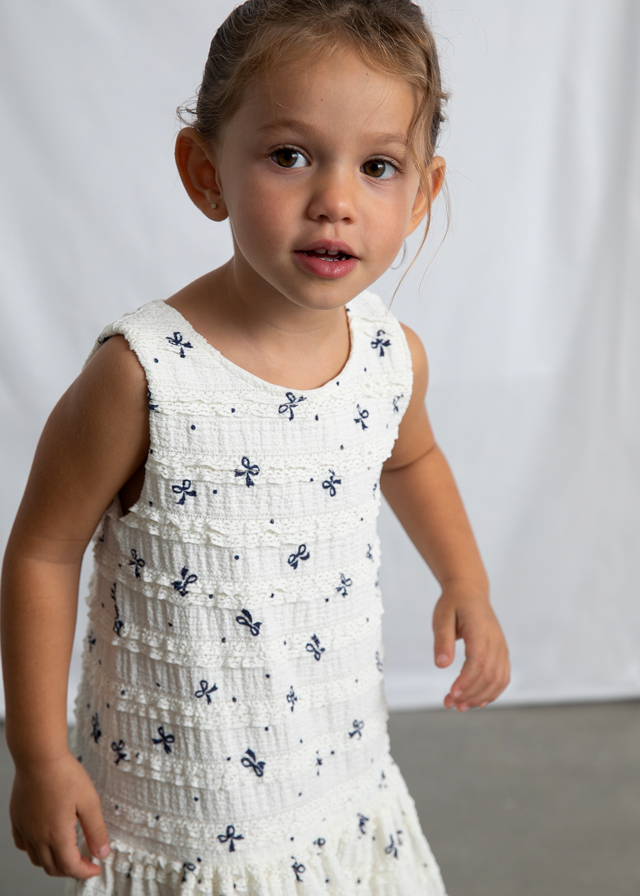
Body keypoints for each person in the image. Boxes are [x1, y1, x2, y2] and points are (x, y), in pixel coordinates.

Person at [1, 1, 510, 893]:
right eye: (290, 156)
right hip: (192, 801)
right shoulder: (145, 375)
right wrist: (40, 756)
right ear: (207, 173)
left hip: (336, 760)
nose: (336, 202)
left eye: (378, 166)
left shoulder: (389, 358)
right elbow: (43, 551)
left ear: (422, 193)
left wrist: (466, 584)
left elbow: (411, 459)